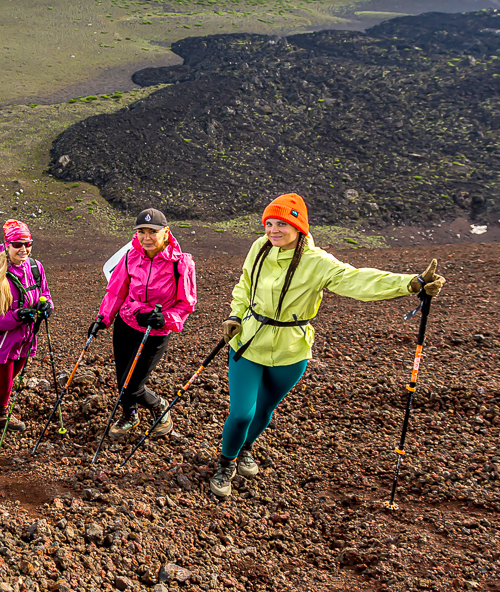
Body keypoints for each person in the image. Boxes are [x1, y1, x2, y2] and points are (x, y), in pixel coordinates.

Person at [209, 193, 447, 499]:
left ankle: (246, 449)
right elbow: (244, 284)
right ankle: (225, 463)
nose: (273, 230)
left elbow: (358, 280)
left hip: (291, 352)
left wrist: (410, 283)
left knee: (265, 409)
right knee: (242, 412)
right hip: (248, 344)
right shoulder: (259, 248)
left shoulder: (317, 262)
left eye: (281, 223)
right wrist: (235, 315)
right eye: (269, 223)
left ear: (299, 227)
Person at [90, 207, 197, 439]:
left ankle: (160, 407)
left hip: (155, 331)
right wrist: (103, 318)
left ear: (166, 232)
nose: (146, 237)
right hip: (126, 324)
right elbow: (116, 292)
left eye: (152, 232)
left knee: (133, 384)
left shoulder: (181, 264)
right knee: (122, 379)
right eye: (141, 231)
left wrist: (166, 319)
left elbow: (186, 304)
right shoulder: (130, 257)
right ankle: (130, 414)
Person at [0, 219, 53, 446]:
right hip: (2, 343)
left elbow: (45, 292)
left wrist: (47, 307)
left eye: (27, 243)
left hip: (25, 339)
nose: (23, 249)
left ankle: (1, 414)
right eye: (17, 244)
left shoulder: (35, 268)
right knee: (1, 385)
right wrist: (17, 316)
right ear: (7, 245)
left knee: (11, 379)